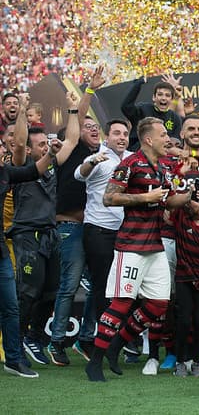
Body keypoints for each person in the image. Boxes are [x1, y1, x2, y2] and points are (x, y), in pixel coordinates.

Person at [85, 117, 193, 382]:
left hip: (155, 245)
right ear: (148, 139)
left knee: (158, 304)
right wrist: (145, 197)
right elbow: (109, 197)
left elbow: (169, 202)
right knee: (122, 303)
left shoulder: (165, 166)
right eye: (163, 135)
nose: (167, 139)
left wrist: (188, 194)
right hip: (131, 245)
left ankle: (115, 346)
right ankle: (95, 363)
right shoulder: (130, 164)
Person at [10, 90, 86, 366]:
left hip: (51, 235)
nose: (46, 147)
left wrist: (73, 109)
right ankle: (16, 344)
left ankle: (34, 339)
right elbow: (19, 143)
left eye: (46, 143)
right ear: (30, 150)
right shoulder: (21, 166)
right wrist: (22, 111)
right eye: (40, 144)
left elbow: (72, 139)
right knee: (28, 292)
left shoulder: (52, 164)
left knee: (53, 291)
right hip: (27, 235)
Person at [48, 66, 107, 366]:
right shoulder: (72, 149)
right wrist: (90, 90)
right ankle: (57, 341)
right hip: (70, 227)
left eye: (97, 127)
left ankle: (85, 339)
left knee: (97, 286)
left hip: (94, 229)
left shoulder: (104, 154)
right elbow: (79, 119)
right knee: (69, 286)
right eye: (87, 127)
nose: (93, 129)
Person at [0, 127, 59, 378]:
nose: (2, 151)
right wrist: (23, 112)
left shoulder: (6, 173)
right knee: (23, 296)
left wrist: (51, 153)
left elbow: (36, 169)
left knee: (14, 305)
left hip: (5, 250)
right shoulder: (15, 165)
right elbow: (20, 148)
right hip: (25, 235)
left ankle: (17, 355)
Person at [74, 119, 133, 343]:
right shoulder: (99, 156)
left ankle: (121, 336)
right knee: (102, 285)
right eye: (116, 133)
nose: (122, 137)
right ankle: (102, 337)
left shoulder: (132, 158)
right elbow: (79, 174)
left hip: (126, 231)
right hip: (99, 230)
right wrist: (92, 162)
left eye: (125, 134)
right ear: (106, 137)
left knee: (124, 285)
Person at [165, 188, 199, 378]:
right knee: (184, 320)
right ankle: (180, 362)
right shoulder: (181, 218)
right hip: (183, 277)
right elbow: (169, 205)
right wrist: (188, 190)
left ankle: (196, 362)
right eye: (197, 200)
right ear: (188, 203)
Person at [121, 74, 184, 150]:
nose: (163, 98)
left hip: (163, 155)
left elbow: (176, 143)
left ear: (171, 99)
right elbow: (126, 107)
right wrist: (138, 84)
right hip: (138, 152)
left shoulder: (175, 118)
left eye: (167, 95)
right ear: (154, 97)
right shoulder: (143, 109)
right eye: (160, 94)